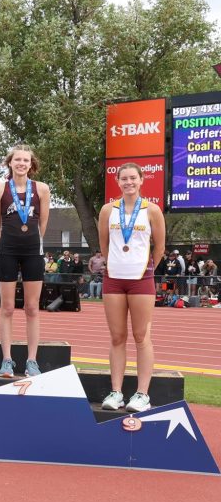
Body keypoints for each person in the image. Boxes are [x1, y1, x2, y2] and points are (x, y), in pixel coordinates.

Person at [98, 163, 165, 413]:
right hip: (114, 279)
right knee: (117, 337)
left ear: (141, 180)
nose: (128, 182)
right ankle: (116, 392)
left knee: (141, 336)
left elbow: (159, 247)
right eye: (124, 178)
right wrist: (117, 263)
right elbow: (104, 246)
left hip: (141, 280)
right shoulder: (107, 210)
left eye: (133, 178)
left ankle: (142, 394)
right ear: (118, 181)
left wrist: (147, 268)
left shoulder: (152, 210)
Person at [0, 144, 50, 378]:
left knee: (32, 308)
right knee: (7, 307)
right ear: (10, 163)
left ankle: (32, 361)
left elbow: (42, 223)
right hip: (7, 251)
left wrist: (34, 241)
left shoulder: (42, 189)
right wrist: (1, 243)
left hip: (33, 251)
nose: (21, 164)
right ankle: (7, 360)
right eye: (17, 160)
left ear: (31, 164)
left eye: (25, 160)